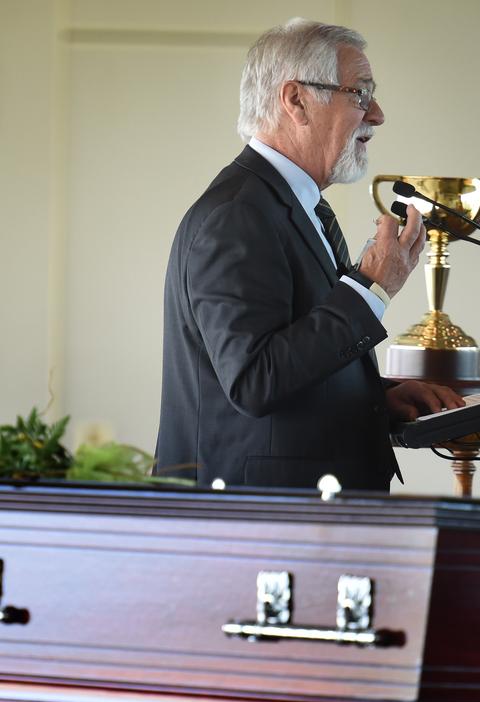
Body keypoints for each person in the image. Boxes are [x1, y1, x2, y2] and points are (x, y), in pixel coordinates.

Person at [155, 17, 463, 491]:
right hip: (257, 524)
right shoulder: (237, 216)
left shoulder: (292, 206)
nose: (376, 113)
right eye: (359, 93)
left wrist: (377, 397)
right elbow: (253, 381)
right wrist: (372, 288)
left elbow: (290, 366)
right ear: (296, 100)